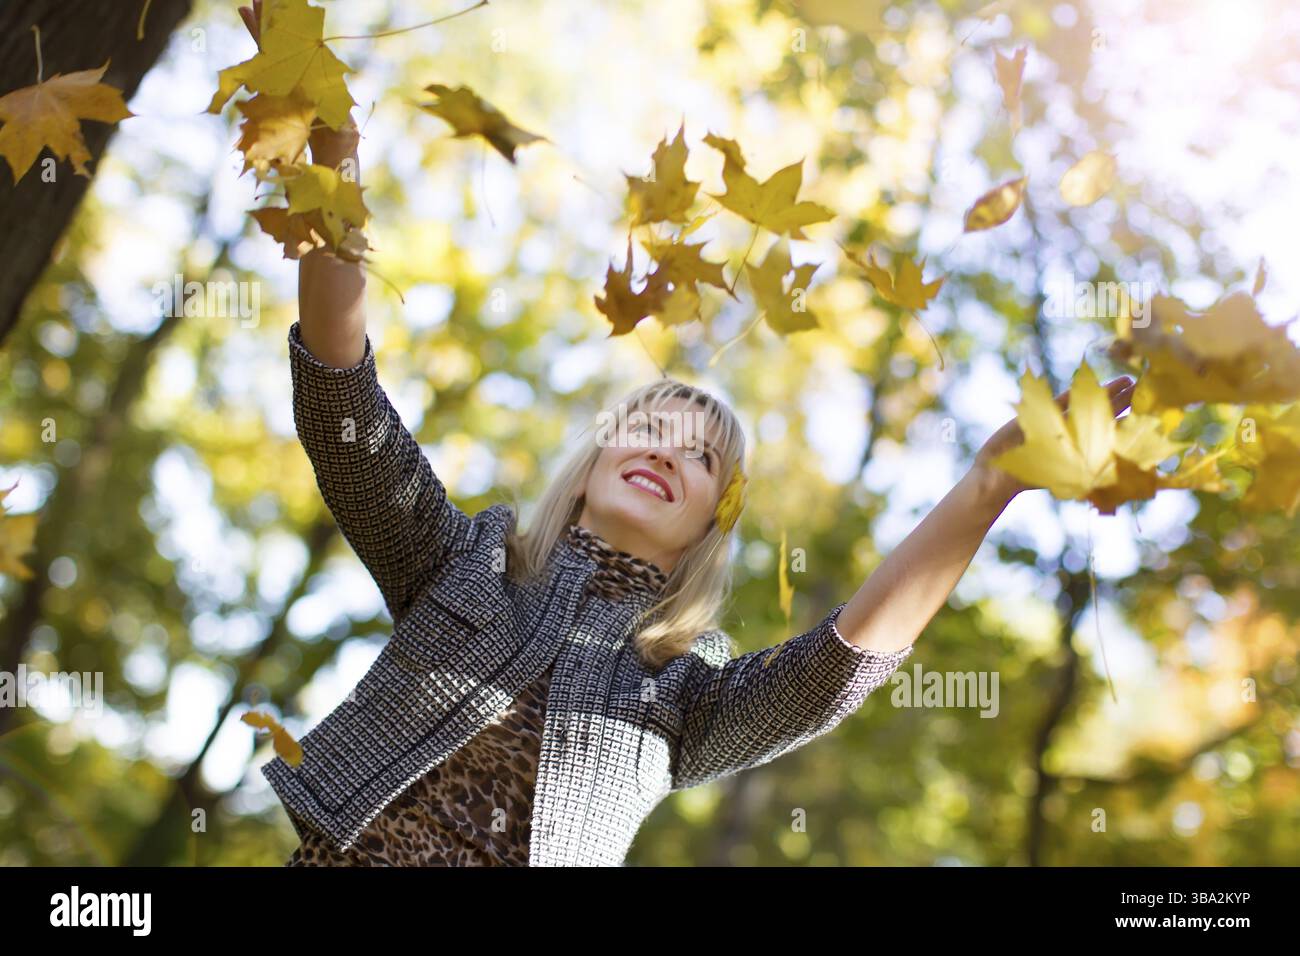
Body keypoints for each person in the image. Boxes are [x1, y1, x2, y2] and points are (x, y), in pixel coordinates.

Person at [235, 1, 1137, 867]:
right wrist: (332, 157)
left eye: (702, 456)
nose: (668, 449)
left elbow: (842, 662)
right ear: (592, 466)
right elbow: (340, 393)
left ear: (711, 522)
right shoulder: (460, 560)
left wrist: (989, 485)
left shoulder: (686, 693)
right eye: (650, 428)